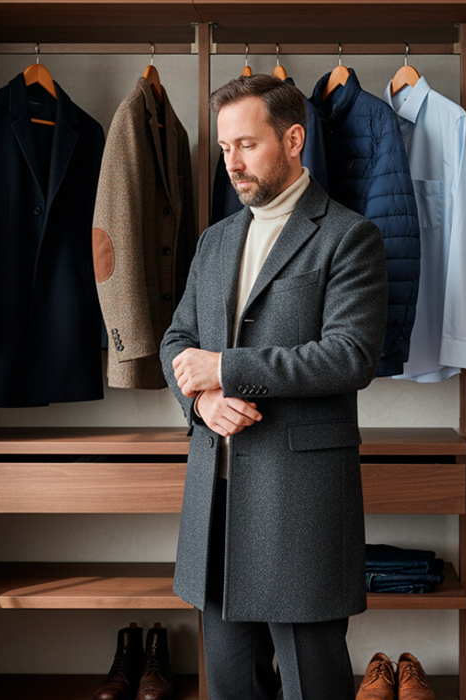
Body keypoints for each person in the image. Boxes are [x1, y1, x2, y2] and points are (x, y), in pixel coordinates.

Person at [160, 75, 389, 700]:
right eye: (224, 147)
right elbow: (176, 342)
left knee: (313, 684)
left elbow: (350, 357)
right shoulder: (214, 241)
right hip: (216, 500)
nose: (231, 162)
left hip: (300, 502)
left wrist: (227, 369)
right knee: (232, 684)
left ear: (293, 138)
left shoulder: (350, 237)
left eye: (246, 144)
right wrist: (202, 400)